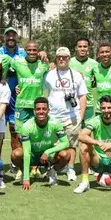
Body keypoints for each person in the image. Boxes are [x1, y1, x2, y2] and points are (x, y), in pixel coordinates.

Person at [42, 47, 88, 182]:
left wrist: (81, 115)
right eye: (59, 57)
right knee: (54, 146)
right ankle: (52, 170)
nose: (61, 59)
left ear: (69, 58)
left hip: (72, 116)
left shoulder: (77, 75)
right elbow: (40, 89)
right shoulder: (49, 74)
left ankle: (71, 169)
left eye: (64, 57)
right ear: (55, 58)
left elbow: (82, 96)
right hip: (53, 117)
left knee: (72, 144)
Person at [13, 98, 73, 189]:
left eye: (44, 109)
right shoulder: (27, 126)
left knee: (66, 154)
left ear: (48, 110)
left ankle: (52, 171)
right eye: (38, 109)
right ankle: (26, 171)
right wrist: (26, 178)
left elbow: (65, 143)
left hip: (48, 157)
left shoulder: (55, 123)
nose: (41, 112)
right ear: (34, 111)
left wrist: (48, 152)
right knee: (16, 154)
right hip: (32, 156)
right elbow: (27, 152)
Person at [9, 41, 49, 177]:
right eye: (29, 50)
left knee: (35, 136)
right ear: (25, 50)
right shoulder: (17, 62)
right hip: (21, 106)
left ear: (38, 51)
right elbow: (3, 62)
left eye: (35, 50)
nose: (32, 52)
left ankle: (34, 167)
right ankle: (22, 167)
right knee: (20, 136)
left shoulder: (43, 64)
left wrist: (46, 55)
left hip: (36, 107)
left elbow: (54, 66)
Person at [0, 27, 27, 144]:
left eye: (13, 35)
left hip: (17, 97)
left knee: (15, 131)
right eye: (8, 35)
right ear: (4, 37)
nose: (10, 37)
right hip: (1, 97)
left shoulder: (23, 52)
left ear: (16, 37)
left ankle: (15, 162)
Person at [69, 38, 99, 121]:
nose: (82, 48)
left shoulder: (94, 64)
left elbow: (99, 79)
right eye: (80, 46)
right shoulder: (69, 62)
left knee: (86, 131)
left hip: (88, 104)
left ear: (88, 48)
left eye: (85, 46)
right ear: (76, 48)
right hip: (72, 103)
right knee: (73, 131)